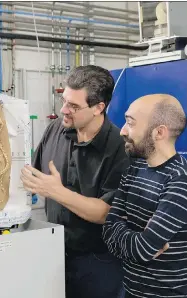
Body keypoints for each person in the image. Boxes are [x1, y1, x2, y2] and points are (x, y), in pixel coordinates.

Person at [21, 65, 129, 298]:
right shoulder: (55, 130)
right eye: (64, 101)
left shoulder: (118, 149)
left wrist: (57, 192)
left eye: (74, 106)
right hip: (54, 252)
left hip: (97, 264)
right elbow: (32, 173)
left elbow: (105, 212)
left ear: (99, 107)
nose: (63, 110)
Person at [102, 94, 187, 298]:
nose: (122, 131)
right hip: (131, 290)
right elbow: (108, 230)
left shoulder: (180, 180)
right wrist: (134, 235)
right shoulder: (134, 169)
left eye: (130, 123)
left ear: (159, 132)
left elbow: (142, 249)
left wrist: (123, 228)